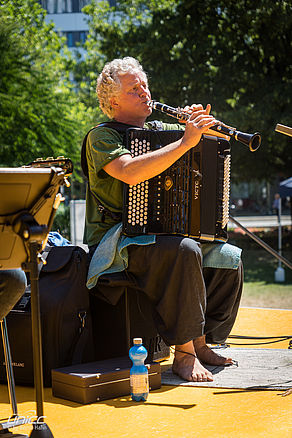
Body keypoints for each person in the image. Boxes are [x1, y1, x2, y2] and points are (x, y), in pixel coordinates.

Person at [83, 57, 243, 382]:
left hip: (161, 235)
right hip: (117, 238)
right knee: (184, 250)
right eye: (134, 88)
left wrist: (200, 125)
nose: (144, 92)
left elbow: (214, 144)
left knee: (229, 257)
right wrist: (185, 141)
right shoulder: (101, 138)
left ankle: (202, 342)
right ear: (113, 100)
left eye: (144, 84)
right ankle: (183, 355)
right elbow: (128, 172)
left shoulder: (161, 131)